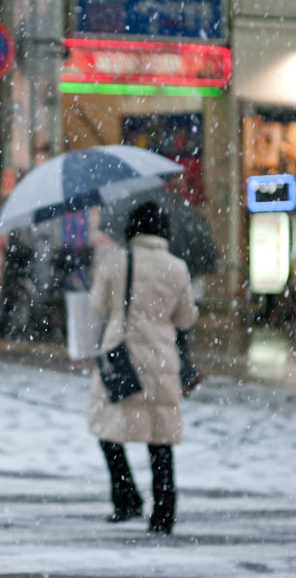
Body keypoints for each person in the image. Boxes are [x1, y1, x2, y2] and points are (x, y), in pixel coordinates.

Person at [87, 201, 199, 535]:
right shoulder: (177, 267)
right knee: (160, 436)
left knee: (108, 429)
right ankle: (163, 513)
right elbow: (186, 318)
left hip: (122, 357)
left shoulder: (115, 262)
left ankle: (126, 497)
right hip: (162, 358)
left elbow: (98, 307)